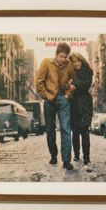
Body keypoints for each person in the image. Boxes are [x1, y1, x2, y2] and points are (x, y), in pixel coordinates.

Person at [35, 42, 75, 171]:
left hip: (63, 99)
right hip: (49, 100)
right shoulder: (46, 63)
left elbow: (74, 81)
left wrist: (68, 94)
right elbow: (39, 81)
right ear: (56, 54)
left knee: (65, 129)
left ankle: (66, 160)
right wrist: (45, 96)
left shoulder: (68, 65)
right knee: (50, 130)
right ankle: (53, 155)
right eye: (62, 56)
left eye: (66, 57)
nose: (64, 59)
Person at [68, 52, 94, 166]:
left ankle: (87, 157)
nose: (76, 64)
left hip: (85, 105)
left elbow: (86, 85)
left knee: (84, 131)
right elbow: (66, 85)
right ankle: (77, 154)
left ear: (82, 61)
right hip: (73, 104)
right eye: (74, 62)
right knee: (75, 132)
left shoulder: (87, 71)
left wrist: (74, 83)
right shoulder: (70, 72)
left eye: (78, 61)